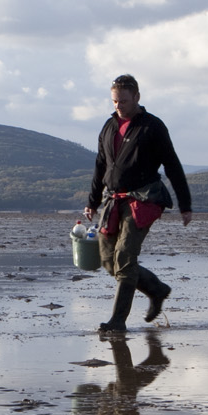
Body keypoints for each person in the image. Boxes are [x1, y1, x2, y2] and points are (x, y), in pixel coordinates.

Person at [86, 74, 195, 333]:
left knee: (125, 256)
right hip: (113, 200)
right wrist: (92, 201)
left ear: (136, 97)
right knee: (108, 260)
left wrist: (185, 204)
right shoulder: (108, 126)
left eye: (123, 100)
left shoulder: (152, 126)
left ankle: (117, 321)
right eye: (114, 101)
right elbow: (101, 165)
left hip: (143, 199)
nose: (118, 105)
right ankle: (157, 289)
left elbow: (172, 165)